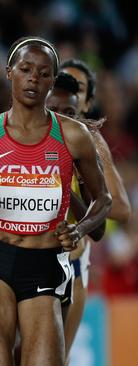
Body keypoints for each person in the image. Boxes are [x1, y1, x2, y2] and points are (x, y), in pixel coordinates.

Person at [0, 37, 112, 366]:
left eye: (44, 73)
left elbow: (104, 199)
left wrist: (79, 229)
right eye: (26, 69)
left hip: (43, 264)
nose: (34, 78)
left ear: (51, 80)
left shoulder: (73, 135)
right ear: (10, 72)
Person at [56, 60, 132, 358]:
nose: (69, 93)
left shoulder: (92, 142)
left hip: (73, 265)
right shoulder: (28, 132)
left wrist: (82, 208)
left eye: (79, 90)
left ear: (85, 102)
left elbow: (121, 208)